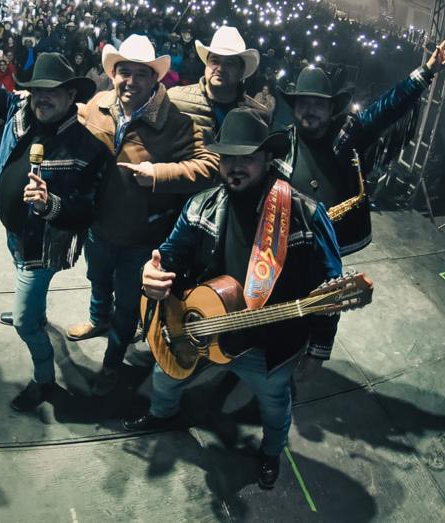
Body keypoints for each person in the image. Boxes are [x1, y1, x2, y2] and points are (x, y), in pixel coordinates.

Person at [130, 108, 342, 490]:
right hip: (202, 327)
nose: (235, 167)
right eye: (228, 157)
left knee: (274, 405)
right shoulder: (201, 204)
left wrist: (318, 351)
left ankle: (271, 453)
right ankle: (162, 413)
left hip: (266, 345)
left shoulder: (306, 215)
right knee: (165, 374)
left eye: (247, 157)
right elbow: (169, 255)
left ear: (268, 158)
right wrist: (152, 273)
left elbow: (330, 289)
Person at [0, 32, 110, 412]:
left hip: (43, 247)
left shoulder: (88, 148)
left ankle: (43, 379)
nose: (42, 98)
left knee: (23, 325)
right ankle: (34, 312)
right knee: (27, 299)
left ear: (71, 96)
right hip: (15, 234)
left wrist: (50, 205)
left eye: (52, 92)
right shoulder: (20, 112)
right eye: (36, 91)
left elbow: (87, 212)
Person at [63, 35, 219, 396]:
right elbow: (77, 121)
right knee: (97, 278)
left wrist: (160, 173)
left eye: (140, 74)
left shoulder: (175, 122)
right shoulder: (99, 105)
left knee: (128, 304)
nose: (130, 81)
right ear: (113, 75)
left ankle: (112, 363)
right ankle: (97, 319)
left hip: (142, 237)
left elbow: (210, 166)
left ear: (154, 79)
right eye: (124, 72)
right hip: (99, 226)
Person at [273, 36, 445, 258]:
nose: (310, 110)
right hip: (290, 251)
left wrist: (428, 70)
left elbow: (388, 106)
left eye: (318, 104)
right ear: (294, 108)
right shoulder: (280, 146)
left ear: (331, 109)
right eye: (304, 103)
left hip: (338, 249)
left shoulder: (347, 132)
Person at [168, 26, 269, 138]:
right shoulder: (175, 99)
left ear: (241, 71)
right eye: (215, 61)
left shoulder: (258, 115)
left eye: (229, 63)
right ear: (206, 64)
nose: (220, 68)